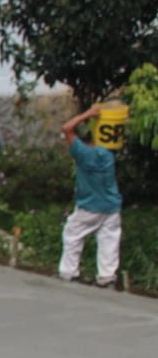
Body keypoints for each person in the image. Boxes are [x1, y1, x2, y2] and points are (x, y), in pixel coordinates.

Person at [57, 105, 122, 288]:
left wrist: (88, 114)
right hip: (111, 206)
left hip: (89, 206)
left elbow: (66, 128)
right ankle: (107, 276)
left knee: (72, 234)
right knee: (109, 239)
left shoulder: (83, 153)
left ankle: (69, 272)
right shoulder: (109, 154)